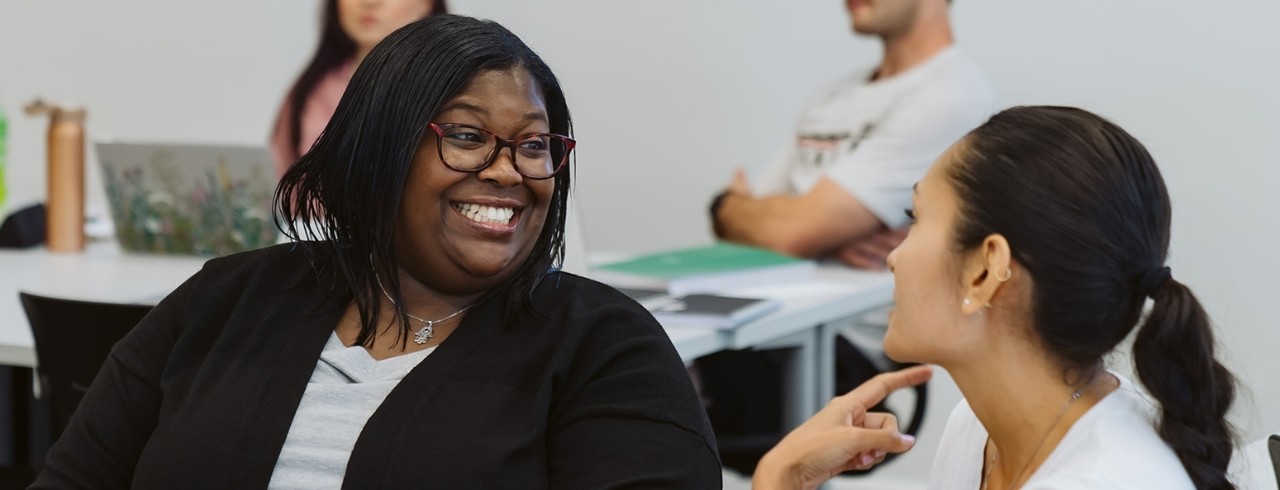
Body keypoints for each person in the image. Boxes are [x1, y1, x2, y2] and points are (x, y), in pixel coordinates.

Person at [33, 15, 721, 489]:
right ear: (381, 148)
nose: (509, 170)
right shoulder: (225, 301)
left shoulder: (607, 348)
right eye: (467, 135)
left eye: (534, 145)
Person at [755, 106, 1239, 490]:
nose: (893, 257)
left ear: (987, 270)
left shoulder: (1098, 479)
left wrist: (778, 479)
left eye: (916, 218)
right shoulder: (979, 429)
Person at [711, 0, 994, 269]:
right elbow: (749, 228)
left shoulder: (951, 93)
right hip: (780, 309)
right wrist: (732, 211)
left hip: (870, 319)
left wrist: (731, 207)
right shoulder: (833, 94)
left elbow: (787, 233)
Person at [270, 0, 447, 175]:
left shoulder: (450, 90)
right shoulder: (311, 89)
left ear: (427, 3)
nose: (369, 3)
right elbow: (281, 186)